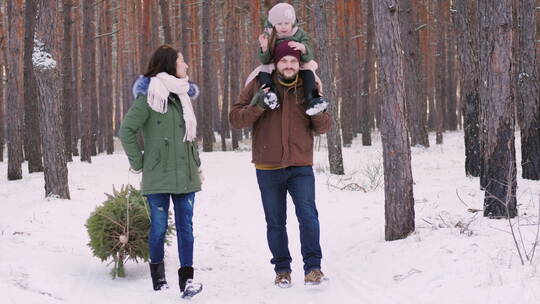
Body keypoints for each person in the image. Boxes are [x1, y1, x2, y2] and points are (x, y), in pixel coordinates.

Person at [229, 40, 331, 288]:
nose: (288, 65)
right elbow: (235, 118)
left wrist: (314, 109)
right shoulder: (259, 85)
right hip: (268, 167)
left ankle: (313, 268)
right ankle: (282, 270)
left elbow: (324, 127)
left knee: (308, 217)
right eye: (284, 61)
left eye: (293, 61)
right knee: (275, 222)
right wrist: (259, 105)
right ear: (276, 63)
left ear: (299, 64)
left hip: (300, 166)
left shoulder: (308, 85)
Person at [119, 44, 203, 298]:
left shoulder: (183, 96)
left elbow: (188, 136)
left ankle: (187, 281)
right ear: (169, 64)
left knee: (186, 227)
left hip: (186, 175)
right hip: (158, 174)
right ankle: (158, 280)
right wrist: (138, 162)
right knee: (158, 228)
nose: (186, 65)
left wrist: (196, 163)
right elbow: (126, 131)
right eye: (181, 61)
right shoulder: (149, 97)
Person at [251, 2, 329, 115]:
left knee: (309, 73)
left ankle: (311, 99)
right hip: (275, 63)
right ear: (273, 25)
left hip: (298, 63)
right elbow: (265, 60)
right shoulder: (270, 35)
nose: (283, 27)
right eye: (279, 24)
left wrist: (303, 48)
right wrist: (264, 48)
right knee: (263, 71)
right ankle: (270, 94)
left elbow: (309, 56)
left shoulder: (299, 34)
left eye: (286, 23)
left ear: (292, 22)